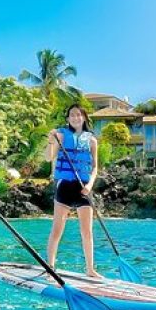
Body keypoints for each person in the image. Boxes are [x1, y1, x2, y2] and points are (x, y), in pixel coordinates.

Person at [45, 104, 101, 277]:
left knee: (87, 231)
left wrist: (90, 185)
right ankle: (50, 267)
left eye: (78, 114)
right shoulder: (61, 135)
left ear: (84, 117)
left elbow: (95, 167)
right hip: (65, 187)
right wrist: (50, 140)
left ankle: (90, 269)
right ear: (68, 119)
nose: (75, 118)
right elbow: (48, 157)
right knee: (57, 229)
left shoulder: (92, 140)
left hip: (84, 188)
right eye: (72, 115)